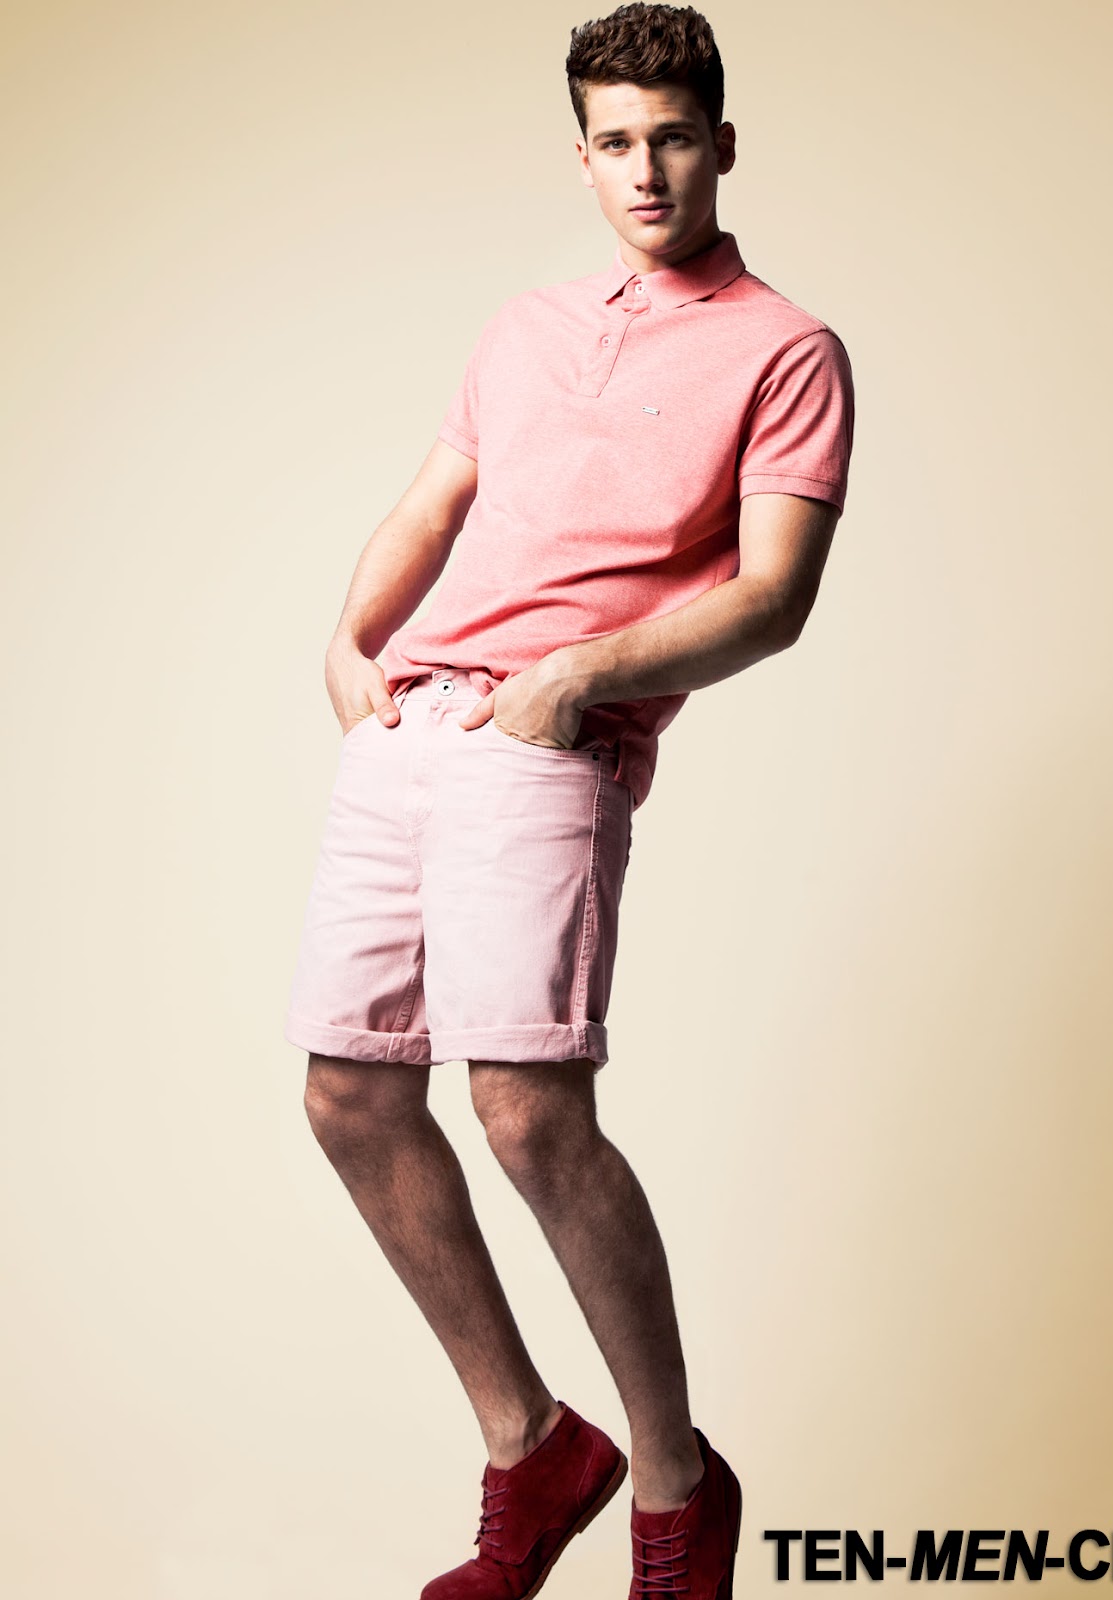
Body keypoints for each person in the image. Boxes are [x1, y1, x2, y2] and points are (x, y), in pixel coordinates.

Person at [282, 3, 855, 1594]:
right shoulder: (526, 326)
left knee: (528, 1111)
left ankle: (674, 1484)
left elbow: (774, 597)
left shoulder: (786, 350)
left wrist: (575, 681)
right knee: (346, 1095)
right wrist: (345, 647)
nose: (646, 169)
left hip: (550, 741)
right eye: (615, 142)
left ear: (721, 144)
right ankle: (531, 1447)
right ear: (584, 159)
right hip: (412, 730)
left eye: (671, 138)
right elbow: (434, 501)